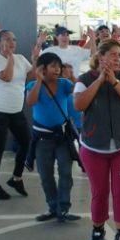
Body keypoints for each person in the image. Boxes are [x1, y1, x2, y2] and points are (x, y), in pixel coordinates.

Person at [74, 39, 120, 240]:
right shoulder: (84, 79)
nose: (117, 58)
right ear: (100, 56)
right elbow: (79, 104)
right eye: (113, 54)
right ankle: (97, 231)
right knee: (99, 192)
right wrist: (100, 80)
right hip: (93, 147)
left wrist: (113, 81)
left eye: (119, 55)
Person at [25, 52, 81, 222]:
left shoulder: (64, 84)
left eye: (59, 66)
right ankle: (52, 206)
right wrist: (39, 80)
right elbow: (30, 102)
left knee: (66, 173)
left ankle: (63, 208)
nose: (57, 69)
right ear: (43, 68)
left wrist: (72, 77)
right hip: (42, 139)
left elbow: (79, 92)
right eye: (53, 66)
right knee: (46, 176)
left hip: (62, 138)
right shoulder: (33, 85)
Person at [0, 30, 35, 200]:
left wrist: (35, 59)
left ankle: (16, 178)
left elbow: (31, 76)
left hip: (16, 110)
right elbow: (7, 77)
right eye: (7, 39)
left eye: (13, 39)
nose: (11, 42)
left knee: (26, 142)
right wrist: (10, 58)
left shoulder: (21, 58)